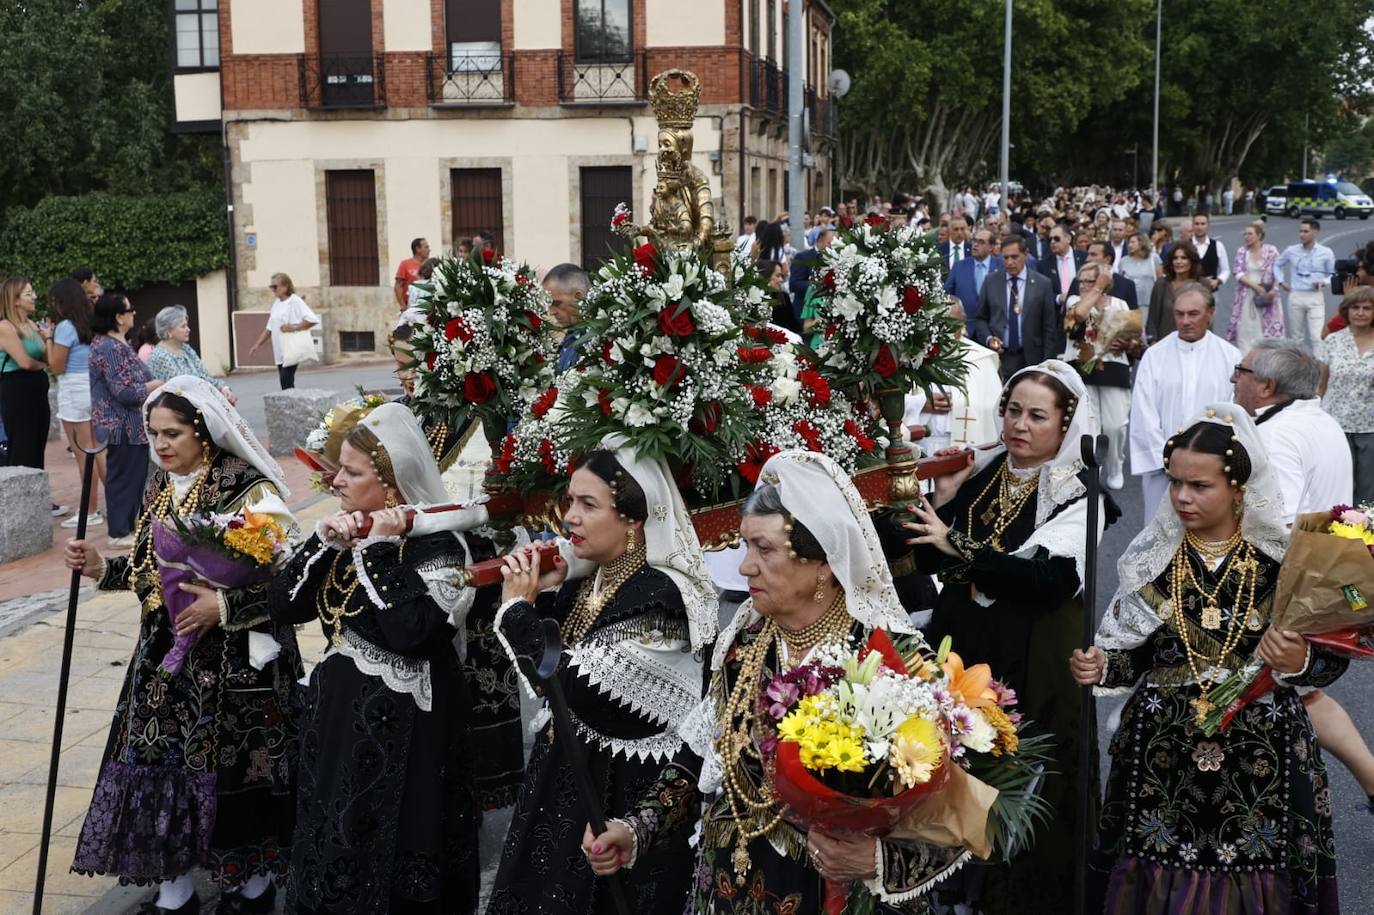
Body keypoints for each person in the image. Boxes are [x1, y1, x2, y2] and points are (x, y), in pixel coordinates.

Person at [582, 449, 967, 912]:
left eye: (763, 549)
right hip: (729, 882)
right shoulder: (745, 640)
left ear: (822, 561)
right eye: (746, 547)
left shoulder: (890, 656)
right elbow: (706, 750)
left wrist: (881, 858)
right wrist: (637, 828)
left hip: (836, 889)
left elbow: (965, 805)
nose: (745, 567)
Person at [1075, 406, 1347, 913]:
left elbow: (1331, 663)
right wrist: (1104, 667)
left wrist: (1300, 658)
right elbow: (1138, 659)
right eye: (1175, 482)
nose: (1181, 496)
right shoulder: (1151, 561)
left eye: (1199, 486)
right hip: (1161, 760)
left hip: (1262, 761)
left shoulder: (1282, 563)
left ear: (1238, 487)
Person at [67, 377, 303, 915]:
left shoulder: (249, 488)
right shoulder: (160, 485)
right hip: (166, 655)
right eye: (153, 435)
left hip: (238, 665)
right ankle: (175, 890)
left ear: (204, 428)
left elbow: (287, 585)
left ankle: (252, 886)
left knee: (233, 772)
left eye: (172, 434)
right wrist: (104, 568)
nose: (161, 446)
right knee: (157, 763)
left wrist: (222, 607)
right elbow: (156, 572)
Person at [903, 361, 1105, 913]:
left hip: (1033, 653)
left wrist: (959, 549)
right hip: (966, 643)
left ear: (1066, 425)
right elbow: (929, 554)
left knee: (1023, 771)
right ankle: (945, 887)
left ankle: (1020, 898)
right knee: (948, 763)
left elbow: (1046, 579)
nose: (1020, 424)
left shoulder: (1082, 493)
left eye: (1038, 415)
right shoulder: (988, 470)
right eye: (1013, 410)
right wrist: (942, 503)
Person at [271, 401, 485, 914]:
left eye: (352, 471)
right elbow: (285, 604)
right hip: (340, 727)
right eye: (339, 469)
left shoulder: (441, 549)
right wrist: (324, 543)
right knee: (334, 837)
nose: (336, 481)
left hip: (407, 739)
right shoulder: (349, 536)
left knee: (395, 848)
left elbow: (411, 632)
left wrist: (379, 550)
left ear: (390, 484)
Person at [487, 442, 718, 914]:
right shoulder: (599, 575)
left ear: (634, 519)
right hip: (568, 780)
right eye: (570, 501)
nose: (569, 517)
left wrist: (517, 608)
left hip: (621, 798)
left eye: (588, 505)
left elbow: (572, 686)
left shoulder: (661, 596)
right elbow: (567, 651)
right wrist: (547, 594)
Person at [1130, 283, 1241, 521]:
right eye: (1179, 314)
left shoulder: (1230, 356)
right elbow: (1143, 412)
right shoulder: (1155, 356)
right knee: (1160, 533)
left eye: (1193, 314)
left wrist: (1213, 460)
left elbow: (1233, 412)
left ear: (1210, 314)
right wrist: (1167, 459)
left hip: (1211, 470)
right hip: (1163, 470)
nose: (1185, 321)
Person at [89, 293, 163, 546]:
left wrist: (152, 382)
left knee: (134, 477)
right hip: (119, 426)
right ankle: (118, 532)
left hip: (132, 425)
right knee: (122, 478)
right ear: (118, 317)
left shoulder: (119, 344)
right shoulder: (108, 348)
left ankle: (129, 527)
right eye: (130, 310)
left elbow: (142, 375)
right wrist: (153, 385)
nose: (134, 313)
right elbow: (125, 392)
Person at [1064, 263, 1135, 490]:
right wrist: (1096, 289)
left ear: (1104, 284)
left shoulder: (1120, 304)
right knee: (1090, 423)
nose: (1083, 285)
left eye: (1089, 281)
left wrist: (1127, 341)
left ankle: (1115, 465)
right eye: (1081, 281)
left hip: (1114, 370)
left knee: (1115, 425)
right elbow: (1076, 318)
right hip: (1081, 370)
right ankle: (1094, 466)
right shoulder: (1074, 301)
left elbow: (1134, 340)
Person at [905, 299, 1002, 448]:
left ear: (963, 323)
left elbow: (993, 409)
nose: (947, 330)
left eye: (953, 323)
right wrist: (919, 403)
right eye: (941, 323)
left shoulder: (980, 359)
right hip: (919, 444)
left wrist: (960, 404)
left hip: (963, 446)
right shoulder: (911, 356)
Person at [48, 278, 103, 528]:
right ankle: (115, 506)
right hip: (92, 386)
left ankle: (89, 511)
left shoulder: (65, 327)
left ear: (61, 302)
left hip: (73, 389)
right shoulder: (89, 322)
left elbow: (56, 366)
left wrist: (48, 339)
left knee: (83, 455)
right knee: (98, 452)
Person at [0, 278, 61, 497]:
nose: (34, 296)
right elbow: (25, 362)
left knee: (37, 442)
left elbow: (47, 356)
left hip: (36, 391)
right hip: (17, 390)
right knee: (22, 444)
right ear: (14, 300)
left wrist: (48, 339)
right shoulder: (5, 327)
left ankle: (37, 496)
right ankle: (18, 498)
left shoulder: (32, 324)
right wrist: (45, 365)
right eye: (28, 293)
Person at [1319, 285, 1374, 505]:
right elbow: (1321, 385)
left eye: (1367, 308)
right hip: (1335, 424)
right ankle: (1336, 535)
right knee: (1337, 486)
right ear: (1346, 311)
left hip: (1370, 427)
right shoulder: (1332, 341)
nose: (1360, 312)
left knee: (1368, 489)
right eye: (1355, 307)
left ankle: (1366, 536)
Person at [974, 235, 1058, 379]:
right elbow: (980, 318)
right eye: (1005, 258)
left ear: (1026, 255)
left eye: (1014, 257)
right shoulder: (991, 281)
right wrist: (989, 339)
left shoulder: (1042, 284)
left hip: (1032, 357)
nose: (1009, 262)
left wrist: (1046, 364)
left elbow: (1049, 327)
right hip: (1001, 356)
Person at [147, 306, 237, 405]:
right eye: (183, 326)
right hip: (179, 410)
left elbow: (204, 375)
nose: (188, 329)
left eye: (187, 325)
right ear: (169, 331)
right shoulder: (160, 356)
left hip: (199, 403)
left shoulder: (185, 348)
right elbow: (184, 388)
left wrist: (223, 388)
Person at [248, 273, 320, 390]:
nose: (273, 290)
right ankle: (293, 405)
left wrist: (293, 327)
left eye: (275, 287)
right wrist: (257, 344)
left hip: (291, 349)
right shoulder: (276, 303)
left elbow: (312, 319)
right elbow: (270, 328)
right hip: (279, 351)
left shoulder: (294, 301)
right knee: (285, 384)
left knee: (286, 381)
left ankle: (294, 406)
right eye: (271, 287)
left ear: (285, 286)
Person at [1275, 218, 1336, 354]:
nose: (1302, 234)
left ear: (1315, 232)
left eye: (1306, 231)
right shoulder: (1291, 250)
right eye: (1300, 231)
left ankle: (1320, 369)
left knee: (1317, 337)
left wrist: (1324, 282)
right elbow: (1277, 265)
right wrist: (1281, 281)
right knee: (1296, 338)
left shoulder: (1326, 252)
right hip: (1296, 295)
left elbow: (1333, 274)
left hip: (1315, 297)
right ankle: (1299, 370)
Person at [1227, 220, 1282, 354]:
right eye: (1245, 234)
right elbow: (1238, 273)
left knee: (1265, 330)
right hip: (1247, 295)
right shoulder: (1242, 252)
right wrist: (1256, 288)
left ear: (1259, 236)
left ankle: (1265, 361)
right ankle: (1245, 359)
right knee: (1246, 329)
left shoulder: (1271, 250)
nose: (1247, 237)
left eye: (1250, 234)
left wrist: (1273, 291)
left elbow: (1278, 272)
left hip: (1267, 295)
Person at [943, 226, 1002, 335]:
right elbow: (946, 294)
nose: (975, 244)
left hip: (993, 330)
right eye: (974, 240)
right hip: (966, 329)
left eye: (981, 242)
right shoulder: (959, 266)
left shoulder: (1001, 266)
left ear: (991, 247)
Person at [1146, 242, 1201, 345]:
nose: (1178, 262)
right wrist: (1153, 342)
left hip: (1194, 345)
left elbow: (1207, 320)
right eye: (1175, 258)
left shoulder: (1201, 284)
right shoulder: (1161, 284)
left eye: (1183, 258)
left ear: (1192, 261)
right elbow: (1152, 319)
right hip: (1164, 345)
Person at [543, 262, 591, 371]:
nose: (552, 312)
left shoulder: (598, 341)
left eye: (557, 303)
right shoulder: (570, 338)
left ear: (579, 297)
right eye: (549, 305)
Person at [1064, 241, 1139, 309]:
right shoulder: (1079, 280)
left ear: (1107, 259)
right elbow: (1066, 316)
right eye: (1088, 254)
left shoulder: (1126, 285)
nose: (1087, 259)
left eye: (1093, 255)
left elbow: (1133, 319)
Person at [1117, 231, 1163, 309]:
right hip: (1128, 303)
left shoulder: (1154, 258)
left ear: (1142, 243)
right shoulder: (1124, 261)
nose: (1129, 245)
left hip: (1149, 303)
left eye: (1133, 242)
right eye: (1129, 243)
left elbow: (1161, 281)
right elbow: (1121, 282)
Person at [759, 257, 803, 335]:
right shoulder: (755, 299)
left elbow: (794, 326)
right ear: (766, 276)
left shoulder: (783, 297)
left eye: (781, 276)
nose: (781, 280)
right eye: (778, 276)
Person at [1191, 212, 1230, 292]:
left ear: (1208, 226)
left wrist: (1217, 281)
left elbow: (1226, 270)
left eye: (1203, 224)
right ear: (1193, 226)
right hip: (1189, 292)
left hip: (1210, 292)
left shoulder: (1218, 246)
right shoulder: (1185, 246)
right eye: (1197, 224)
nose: (1200, 227)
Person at [394, 236, 431, 307]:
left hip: (428, 307)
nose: (429, 250)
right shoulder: (405, 264)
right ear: (418, 249)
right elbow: (398, 286)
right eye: (426, 247)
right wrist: (403, 306)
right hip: (411, 305)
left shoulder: (430, 265)